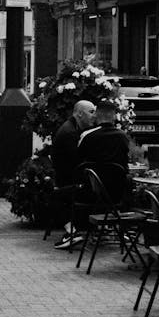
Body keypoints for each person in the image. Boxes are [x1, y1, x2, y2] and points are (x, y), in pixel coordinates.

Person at [50, 100, 96, 248]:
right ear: (80, 113)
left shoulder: (72, 128)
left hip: (67, 180)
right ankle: (72, 232)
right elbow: (78, 162)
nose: (94, 116)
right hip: (68, 183)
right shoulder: (70, 132)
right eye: (91, 112)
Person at [76, 100, 132, 206]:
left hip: (91, 191)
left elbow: (78, 161)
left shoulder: (87, 136)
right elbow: (125, 163)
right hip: (116, 192)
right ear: (114, 116)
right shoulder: (123, 137)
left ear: (97, 114)